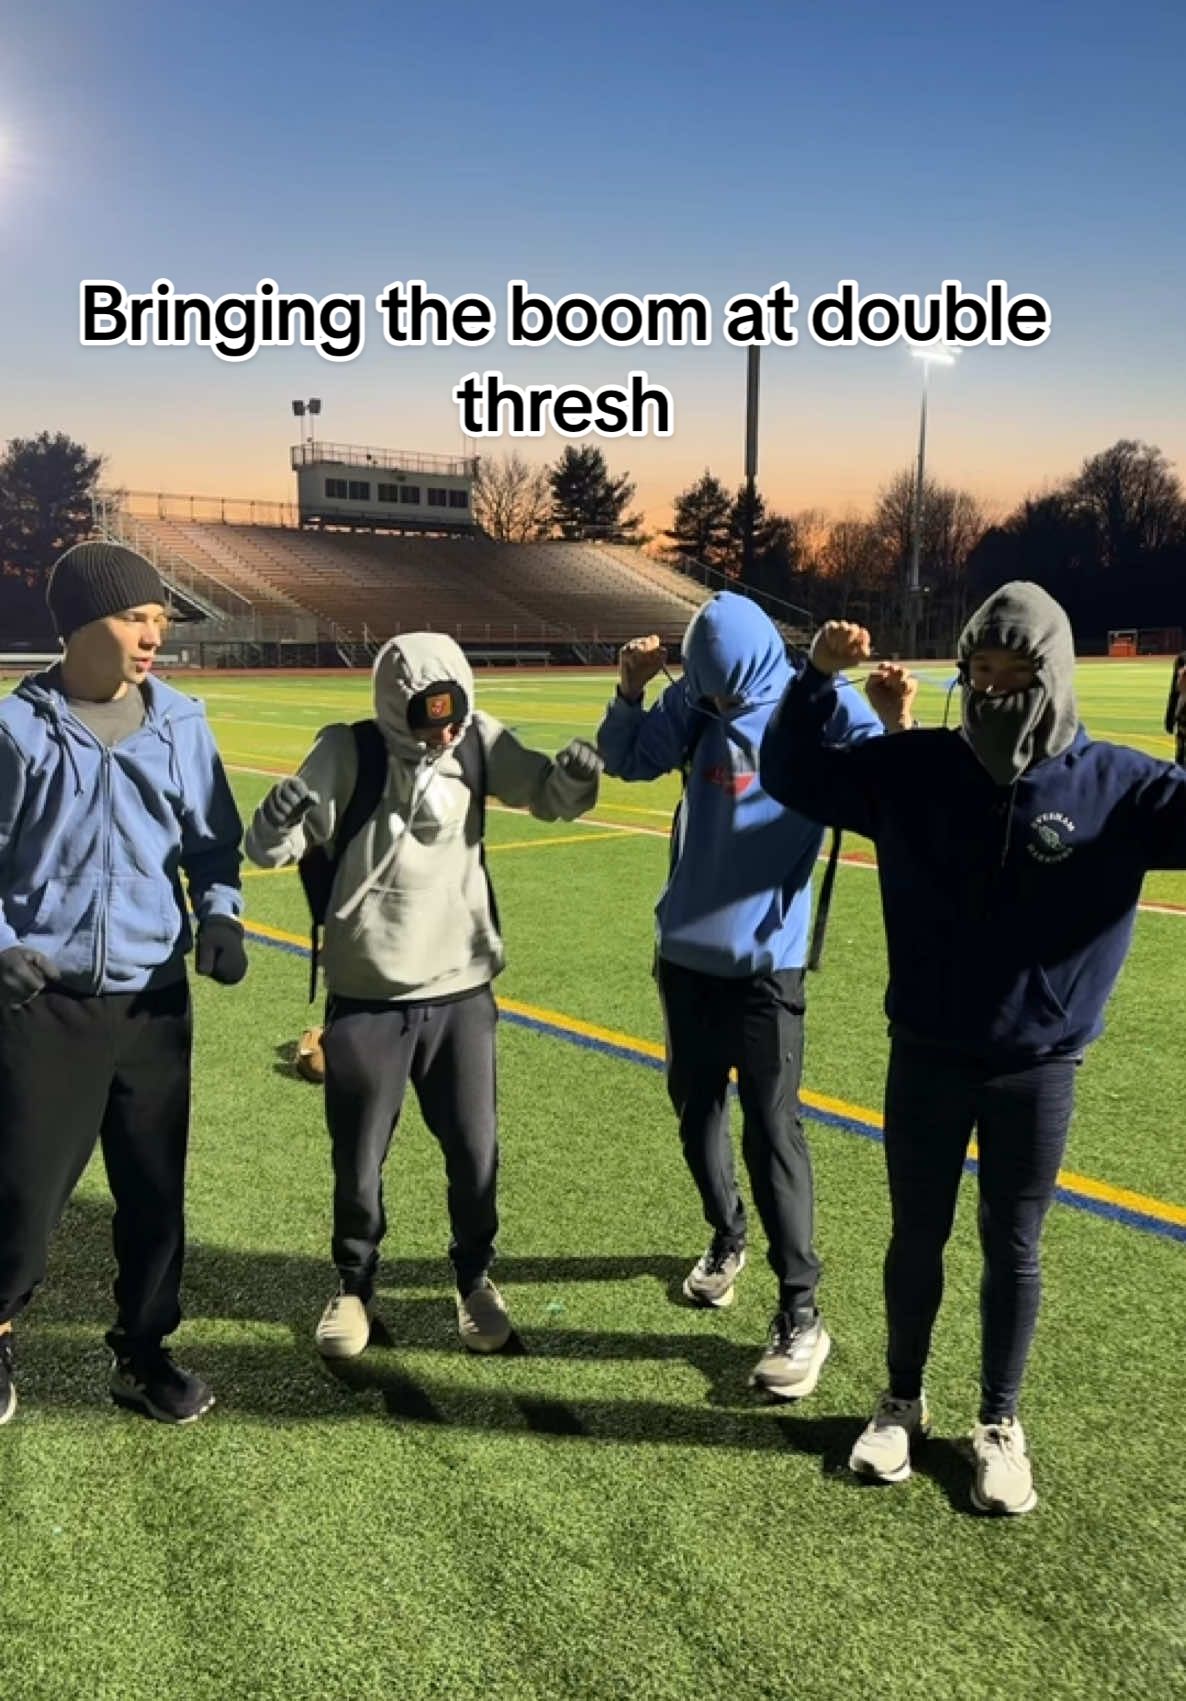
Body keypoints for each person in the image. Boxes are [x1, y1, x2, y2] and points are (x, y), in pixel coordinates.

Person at [760, 581, 1186, 1513]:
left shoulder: (1119, 787)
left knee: (1013, 1244)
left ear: (1055, 675)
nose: (994, 691)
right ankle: (900, 1400)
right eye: (980, 672)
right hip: (926, 1052)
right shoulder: (914, 769)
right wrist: (814, 678)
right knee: (917, 1235)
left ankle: (998, 1420)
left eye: (1017, 671)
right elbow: (795, 773)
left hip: (1038, 1065)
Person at [246, 633, 601, 1359]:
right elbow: (274, 846)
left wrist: (573, 776)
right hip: (369, 993)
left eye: (454, 713)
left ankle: (474, 1277)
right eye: (427, 716)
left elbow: (546, 797)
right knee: (359, 1155)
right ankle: (353, 1283)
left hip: (462, 989)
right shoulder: (349, 750)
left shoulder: (478, 741)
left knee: (474, 1150)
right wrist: (276, 820)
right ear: (391, 706)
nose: (444, 731)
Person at [597, 592, 883, 1399]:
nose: (717, 706)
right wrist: (629, 691)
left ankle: (802, 1311)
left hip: (765, 966)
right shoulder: (694, 697)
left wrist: (892, 722)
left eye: (728, 695)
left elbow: (892, 782)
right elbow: (629, 758)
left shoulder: (817, 701)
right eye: (706, 693)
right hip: (684, 954)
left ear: (761, 663)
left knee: (773, 1133)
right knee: (695, 1114)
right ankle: (728, 1239)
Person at [0, 541, 247, 1427]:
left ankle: (142, 1354)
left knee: (153, 1192)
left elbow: (214, 842)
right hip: (45, 1005)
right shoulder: (18, 730)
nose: (152, 637)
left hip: (152, 1001)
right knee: (23, 1193)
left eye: (159, 622)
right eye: (134, 617)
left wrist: (221, 916)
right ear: (79, 625)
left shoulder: (182, 722)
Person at [1163, 647, 1186, 766]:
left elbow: (1175, 691)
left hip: (1183, 716)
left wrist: (1169, 717)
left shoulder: (1182, 658)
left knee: (1181, 754)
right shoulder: (1182, 659)